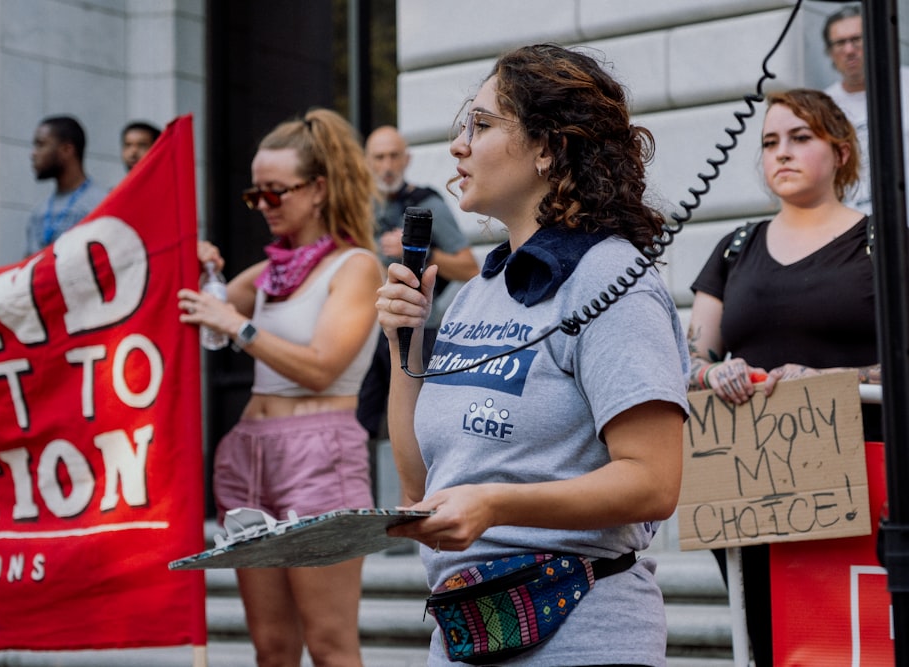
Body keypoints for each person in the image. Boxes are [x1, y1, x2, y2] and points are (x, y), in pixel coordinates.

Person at [381, 44, 690, 666]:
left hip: (583, 638)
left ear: (549, 147)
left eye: (483, 124)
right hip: (466, 634)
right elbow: (421, 485)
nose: (458, 146)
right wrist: (403, 342)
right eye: (460, 126)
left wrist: (498, 503)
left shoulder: (611, 278)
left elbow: (655, 481)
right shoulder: (475, 295)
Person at [177, 108, 382, 667]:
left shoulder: (356, 267)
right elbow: (190, 301)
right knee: (270, 648)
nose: (264, 206)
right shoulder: (273, 271)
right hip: (248, 456)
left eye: (275, 194)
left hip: (320, 455)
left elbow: (320, 366)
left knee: (330, 643)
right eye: (255, 197)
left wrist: (238, 327)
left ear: (317, 189)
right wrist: (192, 260)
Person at [687, 88, 881, 667]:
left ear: (841, 152)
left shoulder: (881, 242)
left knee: (853, 639)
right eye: (770, 141)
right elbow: (693, 358)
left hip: (862, 478)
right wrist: (713, 372)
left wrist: (830, 379)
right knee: (767, 641)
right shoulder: (734, 248)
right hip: (749, 483)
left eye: (801, 137)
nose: (782, 153)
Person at [357, 125, 479, 439]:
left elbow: (469, 268)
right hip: (368, 334)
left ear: (407, 159)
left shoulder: (428, 203)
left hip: (419, 331)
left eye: (394, 156)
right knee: (362, 427)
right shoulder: (358, 209)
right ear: (366, 162)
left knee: (416, 427)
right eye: (379, 157)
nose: (386, 166)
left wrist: (418, 251)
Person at [821, 3, 909, 214]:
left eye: (857, 39)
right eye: (840, 43)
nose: (850, 50)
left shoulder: (906, 82)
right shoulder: (823, 106)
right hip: (857, 232)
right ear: (830, 52)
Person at [26, 115, 108, 255]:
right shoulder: (38, 212)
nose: (33, 154)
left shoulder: (101, 203)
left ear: (67, 150)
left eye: (41, 145)